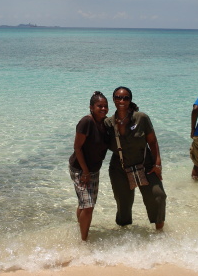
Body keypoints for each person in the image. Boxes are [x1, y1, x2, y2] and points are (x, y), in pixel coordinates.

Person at [105, 86, 166, 230]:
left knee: (158, 197)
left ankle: (160, 236)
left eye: (126, 98)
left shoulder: (141, 118)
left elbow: (152, 141)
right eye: (118, 97)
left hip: (145, 165)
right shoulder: (108, 123)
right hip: (119, 168)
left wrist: (157, 164)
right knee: (123, 204)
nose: (122, 100)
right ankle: (126, 238)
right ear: (113, 100)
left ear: (130, 100)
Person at [69, 91, 109, 241]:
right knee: (88, 206)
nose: (103, 109)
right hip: (80, 169)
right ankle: (84, 241)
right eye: (100, 106)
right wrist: (85, 171)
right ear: (91, 107)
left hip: (94, 169)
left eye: (105, 106)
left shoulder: (104, 123)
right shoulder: (86, 122)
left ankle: (78, 228)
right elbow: (77, 148)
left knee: (85, 203)